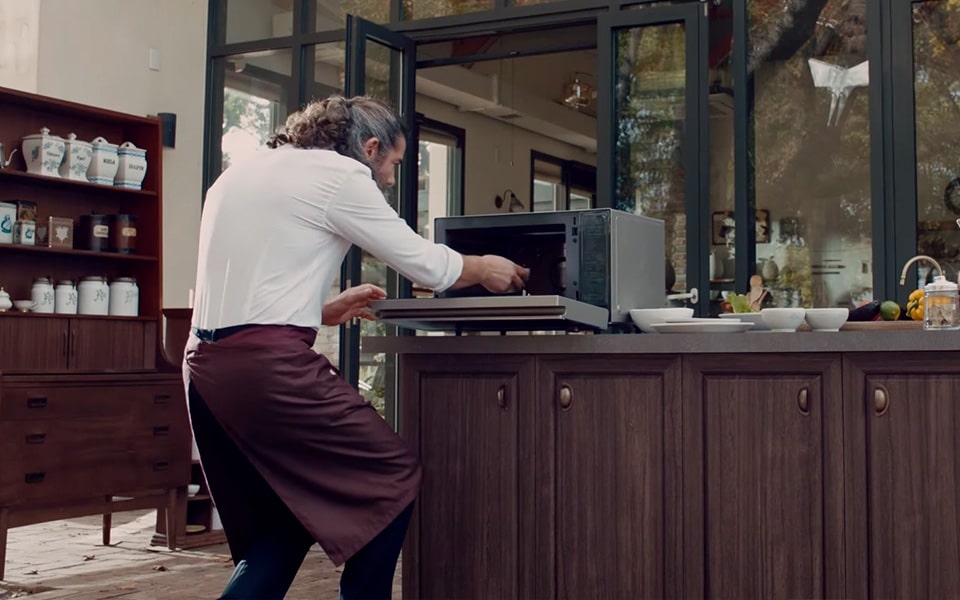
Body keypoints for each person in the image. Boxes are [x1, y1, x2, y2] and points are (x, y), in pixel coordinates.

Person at [185, 94, 528, 600]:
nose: (389, 179)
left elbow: (239, 289)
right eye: (390, 164)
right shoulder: (341, 175)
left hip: (204, 370)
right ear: (369, 147)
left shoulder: (239, 173)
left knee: (287, 516)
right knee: (392, 477)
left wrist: (319, 309)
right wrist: (482, 267)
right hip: (266, 372)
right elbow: (424, 264)